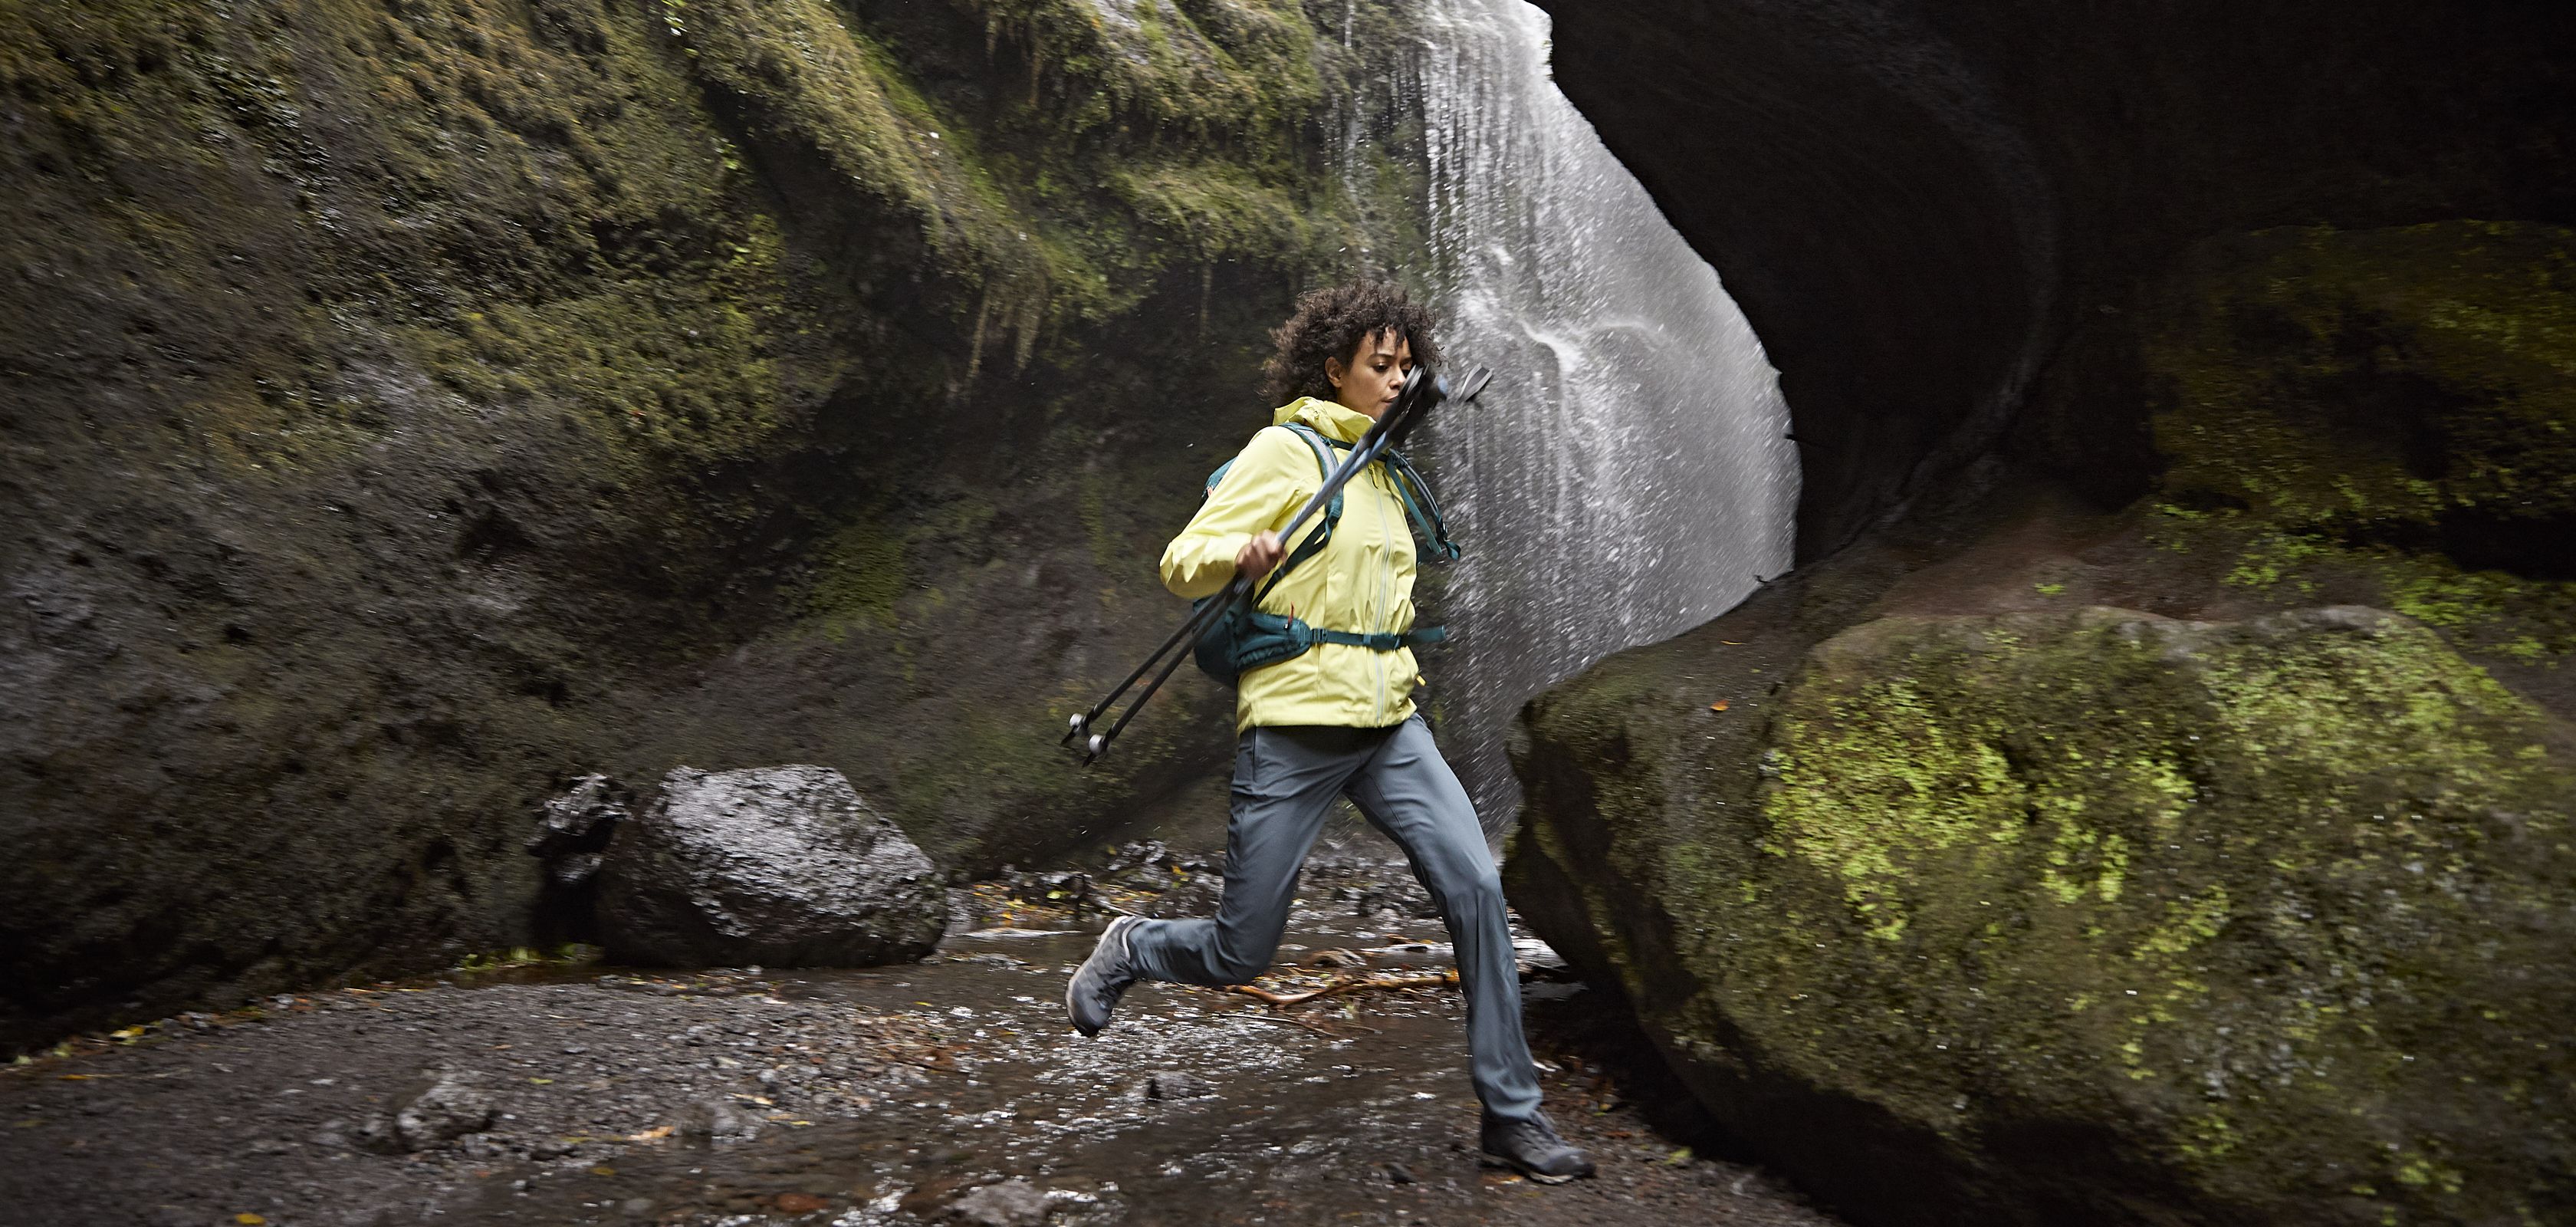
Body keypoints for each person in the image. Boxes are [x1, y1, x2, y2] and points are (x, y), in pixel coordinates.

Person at [1063, 281, 1595, 1184]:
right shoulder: (1284, 450)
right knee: (1243, 950)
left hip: (1389, 719)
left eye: (1404, 365)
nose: (1396, 379)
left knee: (1474, 887)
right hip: (1298, 722)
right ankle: (1132, 947)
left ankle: (1513, 1113)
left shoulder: (1386, 470)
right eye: (1377, 365)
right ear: (1334, 368)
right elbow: (1179, 562)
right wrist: (1241, 551)